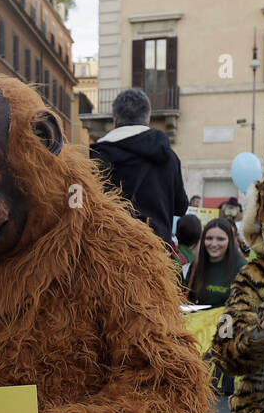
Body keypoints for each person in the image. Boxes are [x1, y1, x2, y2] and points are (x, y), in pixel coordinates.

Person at [89, 88, 188, 245]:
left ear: (115, 120)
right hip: (157, 255)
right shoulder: (169, 157)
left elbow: (83, 206)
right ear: (147, 119)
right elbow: (181, 208)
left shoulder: (98, 156)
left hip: (111, 255)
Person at [183, 218, 245, 308]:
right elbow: (188, 299)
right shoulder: (196, 265)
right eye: (209, 238)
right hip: (199, 320)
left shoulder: (242, 268)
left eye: (221, 239)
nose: (214, 244)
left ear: (230, 241)